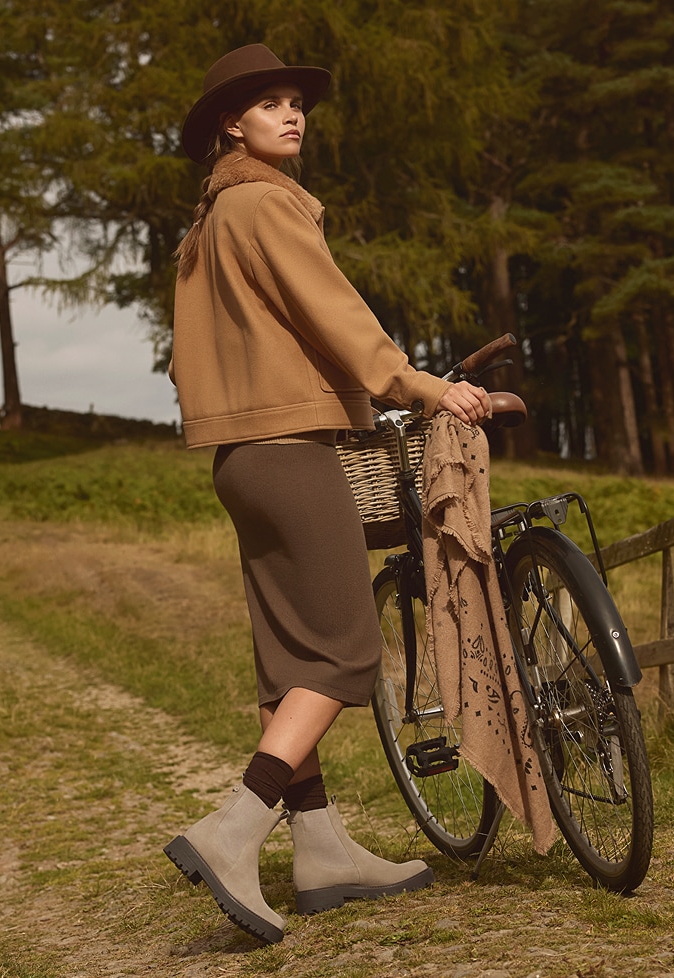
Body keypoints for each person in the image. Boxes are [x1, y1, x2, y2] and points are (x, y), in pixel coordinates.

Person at [162, 43, 491, 944]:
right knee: (343, 652)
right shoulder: (267, 205)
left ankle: (323, 850)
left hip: (240, 459)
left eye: (294, 103)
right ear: (234, 124)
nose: (291, 114)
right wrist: (421, 386)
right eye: (269, 105)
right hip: (294, 451)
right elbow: (336, 314)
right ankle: (236, 827)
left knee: (285, 658)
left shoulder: (211, 221)